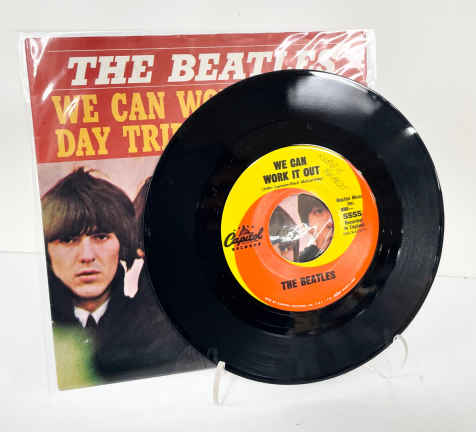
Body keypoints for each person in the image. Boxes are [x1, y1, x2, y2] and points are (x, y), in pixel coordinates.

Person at [42, 168, 209, 385]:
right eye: (68, 240)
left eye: (100, 237)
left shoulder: (161, 327)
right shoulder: (39, 334)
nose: (87, 256)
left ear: (123, 243)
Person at [297, 193, 334, 262]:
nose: (330, 222)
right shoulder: (301, 262)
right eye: (319, 212)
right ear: (306, 226)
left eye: (334, 210)